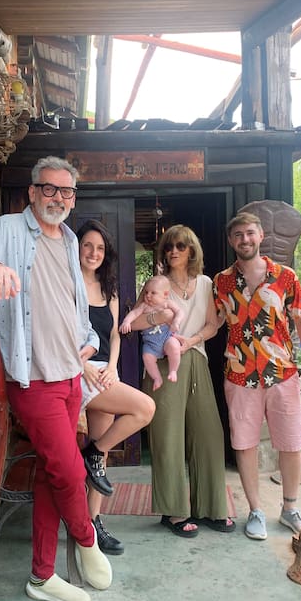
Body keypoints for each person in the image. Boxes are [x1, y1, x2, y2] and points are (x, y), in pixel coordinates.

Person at [0, 156, 112, 601]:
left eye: (66, 193)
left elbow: (75, 307)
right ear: (32, 192)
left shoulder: (67, 241)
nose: (59, 199)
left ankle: (42, 577)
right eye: (50, 189)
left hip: (69, 375)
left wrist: (87, 341)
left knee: (50, 473)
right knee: (68, 470)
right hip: (33, 377)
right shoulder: (7, 229)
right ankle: (87, 542)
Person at [213, 211, 301, 541]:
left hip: (282, 372)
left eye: (250, 233)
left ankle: (289, 509)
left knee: (291, 443)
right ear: (231, 241)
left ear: (260, 236)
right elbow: (212, 322)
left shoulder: (285, 276)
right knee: (243, 444)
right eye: (238, 235)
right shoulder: (222, 281)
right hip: (240, 375)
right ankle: (256, 511)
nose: (244, 239)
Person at [128, 224, 236, 537]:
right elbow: (133, 322)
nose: (173, 251)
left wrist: (190, 341)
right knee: (168, 437)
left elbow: (214, 325)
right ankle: (174, 511)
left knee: (209, 434)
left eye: (180, 246)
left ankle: (212, 507)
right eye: (169, 246)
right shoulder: (156, 285)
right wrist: (157, 318)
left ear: (191, 251)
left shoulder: (204, 283)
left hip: (196, 359)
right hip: (163, 364)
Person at [77, 219, 155, 555]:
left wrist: (111, 367)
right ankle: (90, 454)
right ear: (77, 247)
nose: (94, 253)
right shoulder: (66, 284)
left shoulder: (107, 289)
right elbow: (57, 332)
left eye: (100, 248)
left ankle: (93, 524)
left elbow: (113, 335)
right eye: (87, 246)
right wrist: (85, 368)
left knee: (102, 454)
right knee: (145, 408)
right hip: (79, 372)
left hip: (105, 372)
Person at [119, 274, 184, 390]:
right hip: (150, 344)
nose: (148, 296)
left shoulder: (166, 304)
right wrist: (126, 322)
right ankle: (157, 378)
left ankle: (173, 370)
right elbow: (134, 314)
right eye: (146, 292)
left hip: (166, 338)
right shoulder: (144, 306)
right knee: (147, 357)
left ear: (165, 295)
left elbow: (180, 312)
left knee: (174, 347)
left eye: (153, 293)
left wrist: (176, 322)